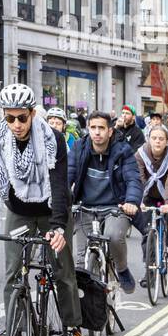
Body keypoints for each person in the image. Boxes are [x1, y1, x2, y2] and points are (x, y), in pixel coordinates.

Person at [0, 84, 82, 336]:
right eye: (9, 118)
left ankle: (72, 326)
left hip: (50, 209)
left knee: (62, 270)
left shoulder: (52, 139)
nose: (16, 124)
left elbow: (59, 184)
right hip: (19, 210)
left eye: (22, 118)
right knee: (13, 272)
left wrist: (58, 227)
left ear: (33, 113)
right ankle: (17, 329)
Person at [68, 112, 142, 295]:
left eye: (101, 128)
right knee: (80, 262)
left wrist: (131, 201)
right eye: (93, 128)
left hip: (115, 208)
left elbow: (133, 179)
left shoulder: (122, 150)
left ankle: (122, 269)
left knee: (114, 236)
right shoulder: (79, 148)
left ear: (110, 131)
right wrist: (61, 200)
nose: (97, 132)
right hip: (85, 207)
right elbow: (67, 175)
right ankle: (83, 311)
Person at [134, 125, 168, 278]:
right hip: (148, 195)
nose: (157, 142)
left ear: (167, 141)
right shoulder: (140, 155)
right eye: (154, 138)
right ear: (148, 139)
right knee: (147, 230)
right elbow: (139, 179)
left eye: (161, 139)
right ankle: (149, 268)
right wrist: (139, 200)